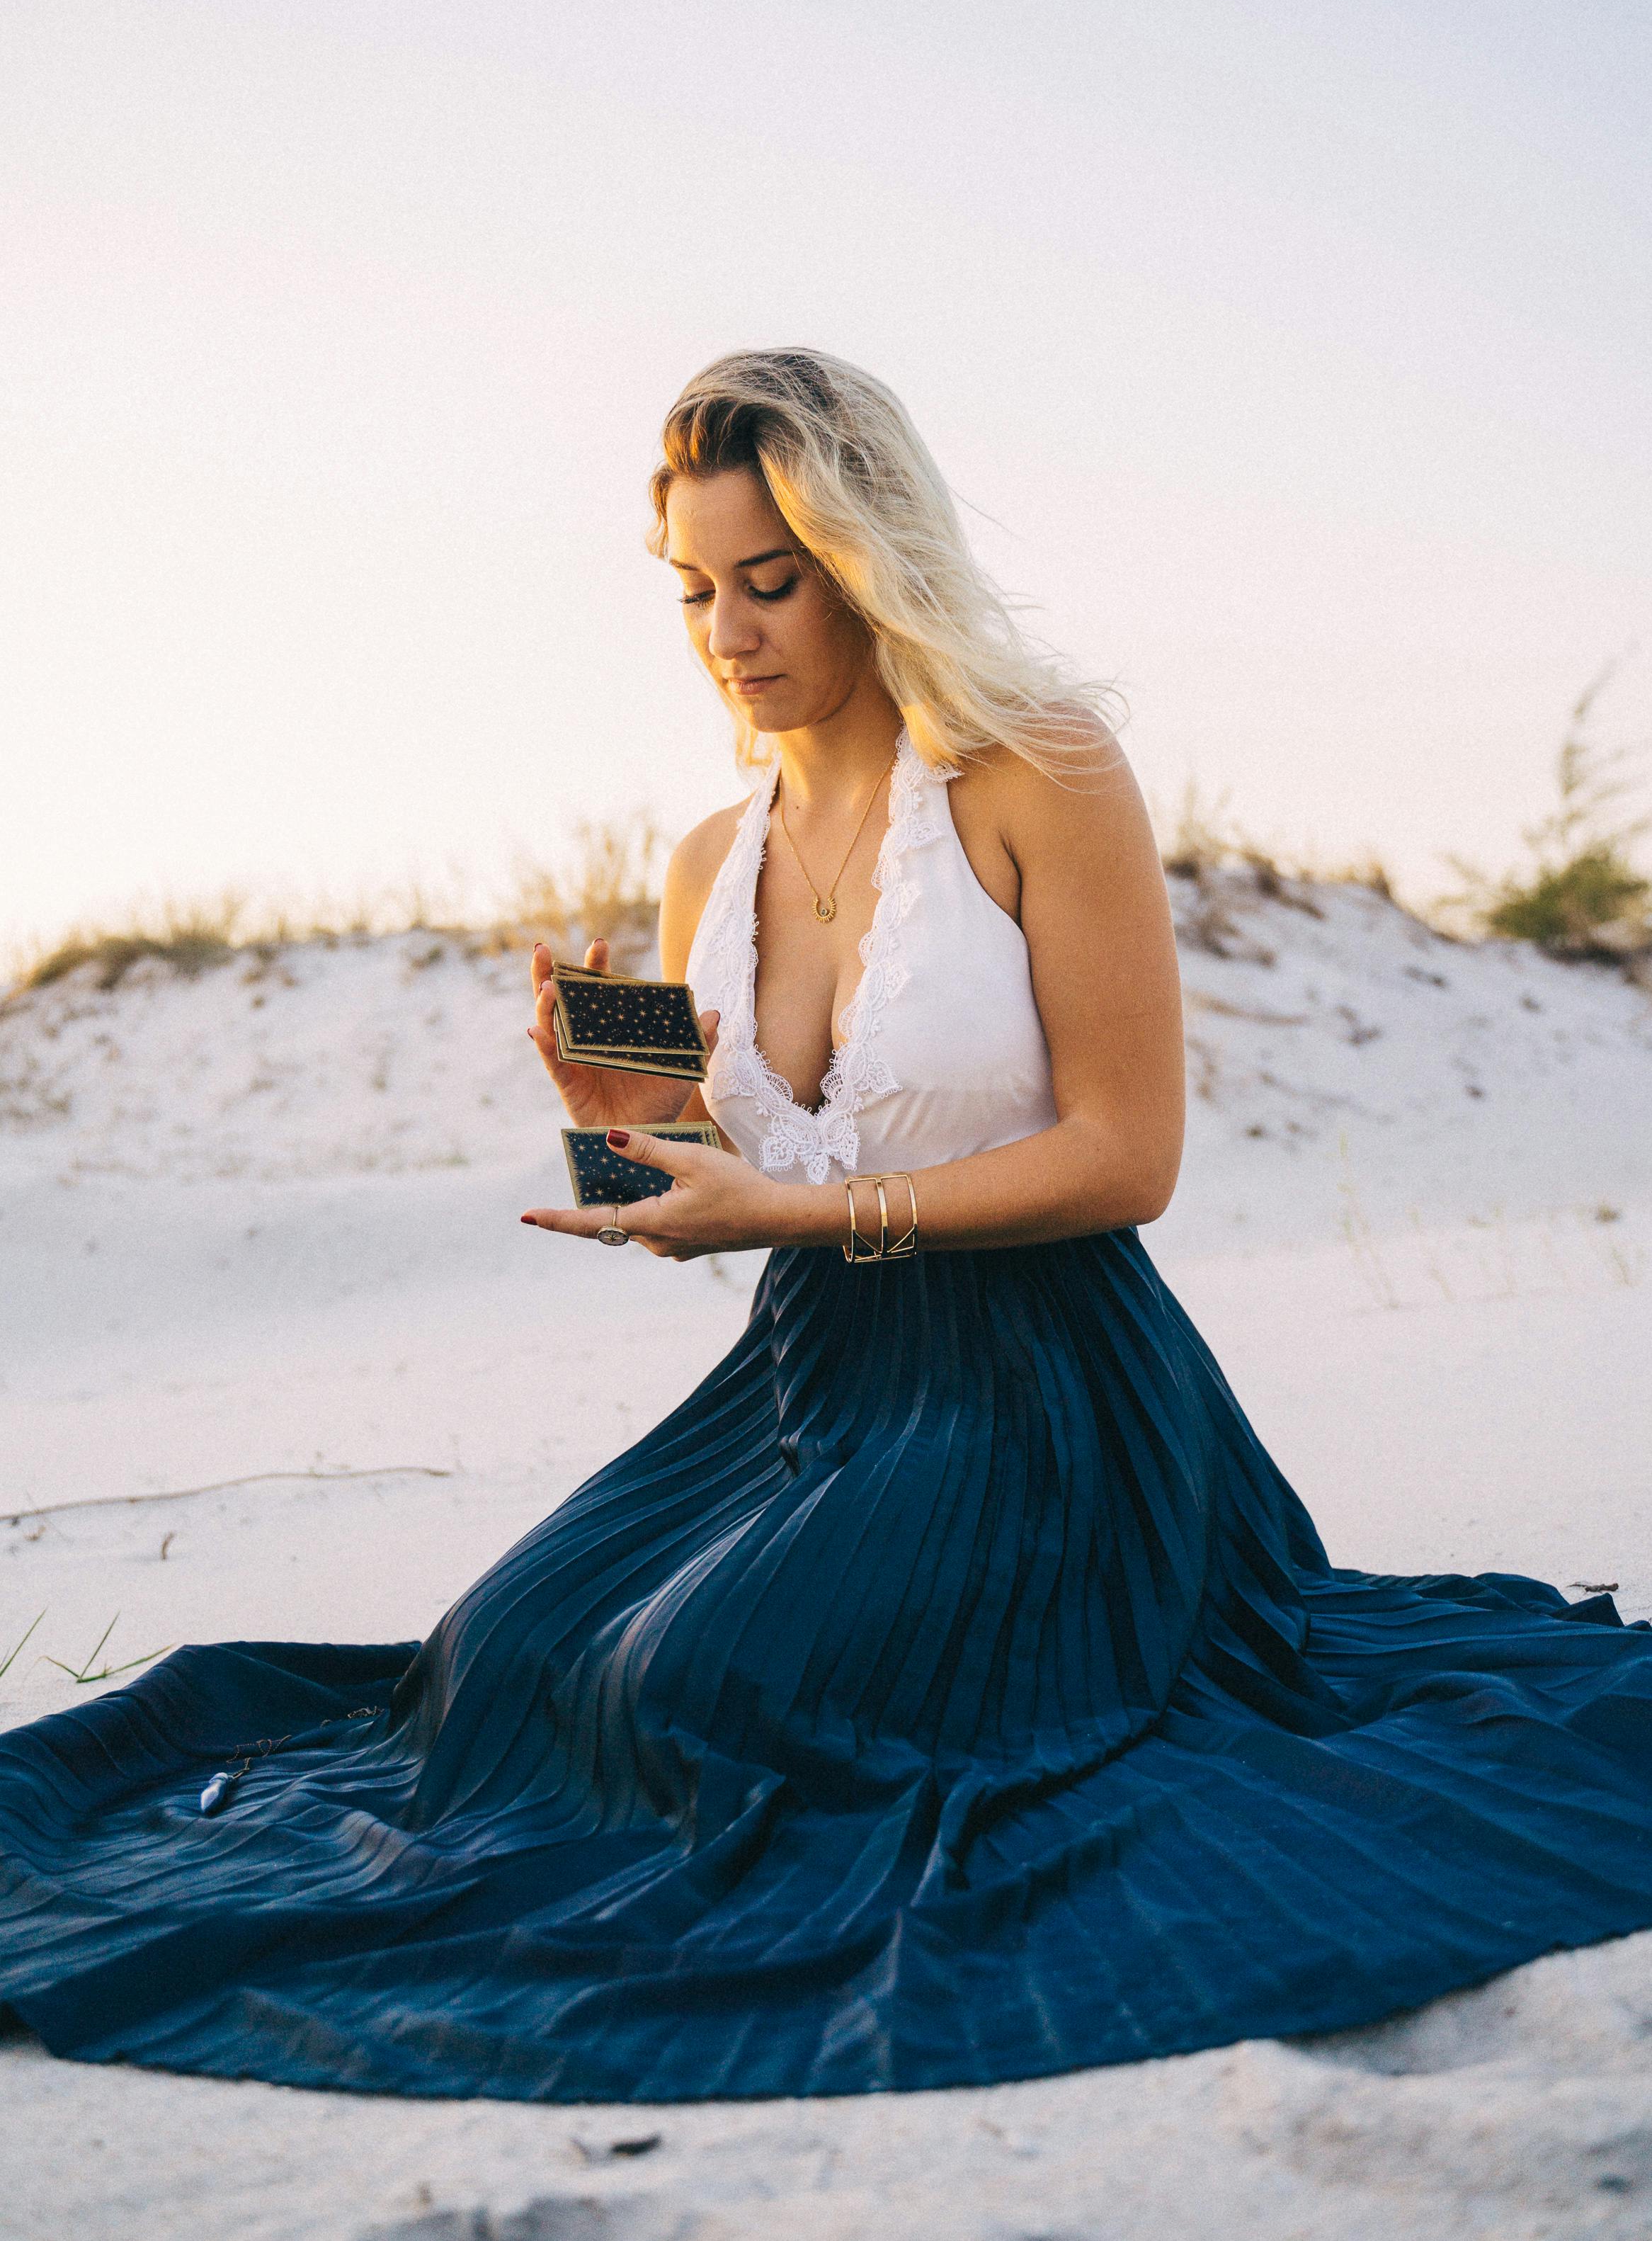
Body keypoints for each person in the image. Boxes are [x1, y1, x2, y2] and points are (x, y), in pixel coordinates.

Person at [3, 349, 1651, 2106]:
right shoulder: (713, 851)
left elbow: (1129, 1153)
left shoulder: (1041, 772)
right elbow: (713, 1162)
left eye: (770, 581)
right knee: (508, 1664)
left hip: (1050, 1389)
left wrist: (796, 1203)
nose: (729, 629)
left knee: (707, 1687)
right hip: (798, 1391)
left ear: (872, 559)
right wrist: (626, 1121)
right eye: (696, 590)